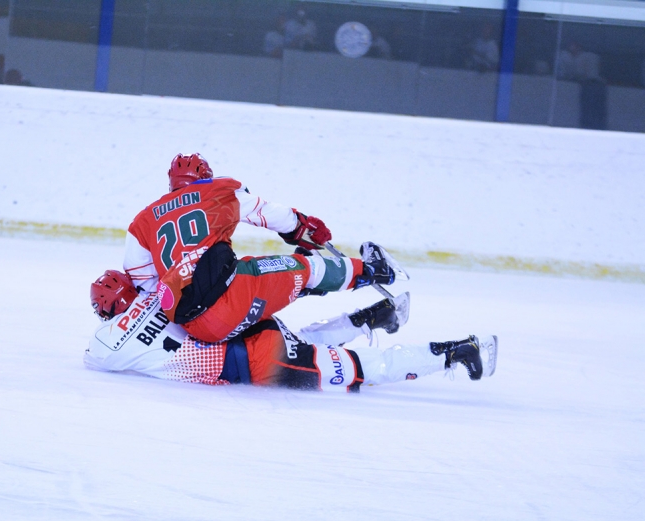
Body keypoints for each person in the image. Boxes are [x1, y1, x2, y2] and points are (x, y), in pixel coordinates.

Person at [122, 153, 404, 344]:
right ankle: (375, 270)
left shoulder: (142, 222)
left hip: (195, 328)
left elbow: (145, 286)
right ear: (205, 175)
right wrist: (299, 226)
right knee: (306, 268)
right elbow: (265, 212)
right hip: (233, 296)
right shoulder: (216, 190)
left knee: (274, 315)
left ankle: (357, 308)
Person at [85, 270, 498, 392]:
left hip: (256, 361)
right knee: (308, 340)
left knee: (362, 370)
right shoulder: (160, 292)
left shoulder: (105, 347)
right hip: (249, 331)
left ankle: (459, 350)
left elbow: (94, 358)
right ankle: (372, 316)